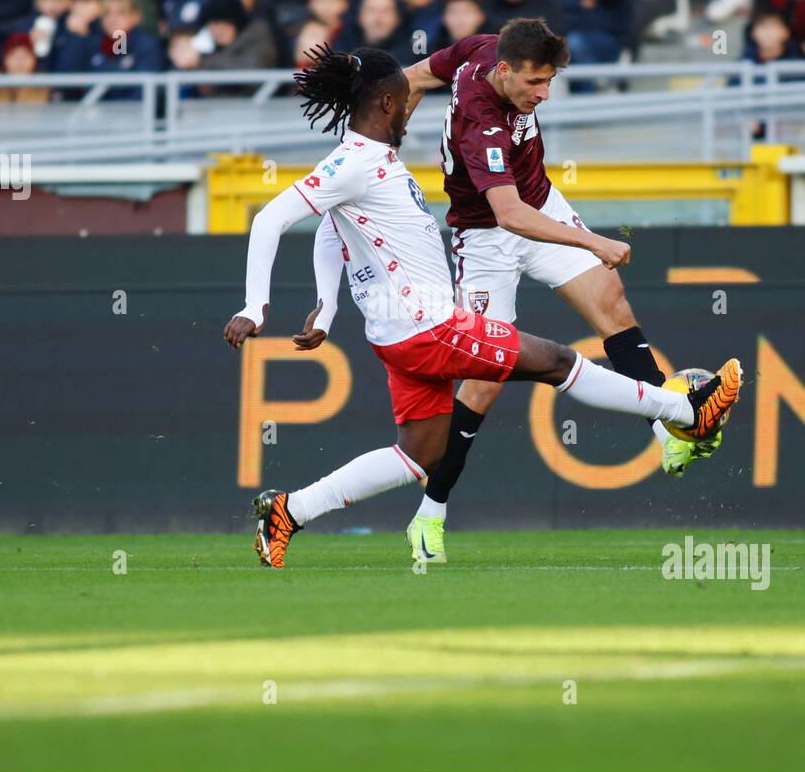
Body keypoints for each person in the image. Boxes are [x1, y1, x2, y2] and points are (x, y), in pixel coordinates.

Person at [224, 44, 742, 568]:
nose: (412, 112)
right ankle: (685, 411)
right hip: (430, 328)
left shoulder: (367, 160)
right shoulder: (356, 163)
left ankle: (291, 510)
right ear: (386, 105)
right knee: (558, 362)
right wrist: (255, 306)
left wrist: (327, 308)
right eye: (406, 103)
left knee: (419, 454)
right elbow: (270, 218)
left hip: (396, 337)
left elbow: (329, 231)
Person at [397, 18, 729, 560]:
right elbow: (507, 215)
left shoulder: (483, 47)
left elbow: (411, 77)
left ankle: (668, 434)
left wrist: (398, 128)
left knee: (612, 305)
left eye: (549, 81)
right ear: (504, 71)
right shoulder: (483, 125)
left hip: (541, 206)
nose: (543, 94)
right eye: (534, 84)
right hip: (488, 237)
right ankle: (431, 512)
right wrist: (594, 241)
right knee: (483, 382)